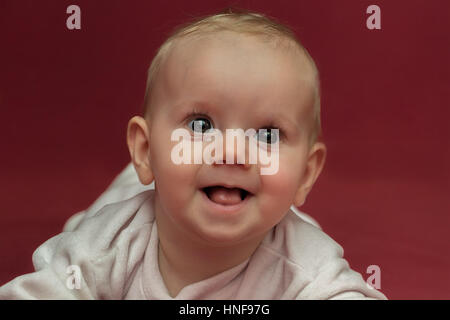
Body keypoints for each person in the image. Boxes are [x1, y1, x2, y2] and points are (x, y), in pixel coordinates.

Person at [0, 9, 387, 299]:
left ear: (305, 174)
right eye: (201, 125)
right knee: (96, 219)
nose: (233, 151)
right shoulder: (111, 245)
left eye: (267, 134)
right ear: (147, 149)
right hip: (133, 194)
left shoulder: (302, 265)